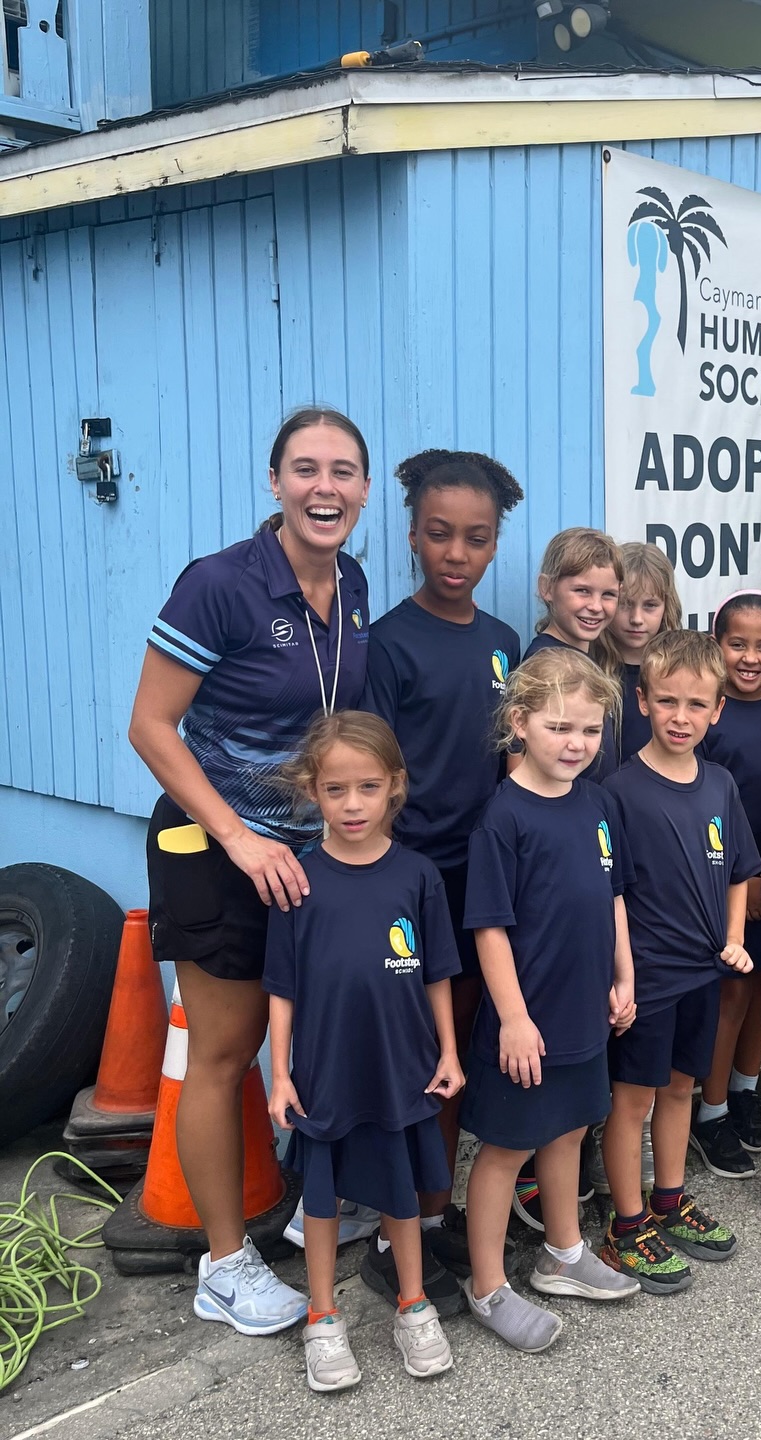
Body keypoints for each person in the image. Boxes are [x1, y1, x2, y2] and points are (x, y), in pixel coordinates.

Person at [129, 407, 372, 1336]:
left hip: (310, 857)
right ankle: (224, 1264)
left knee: (303, 1041)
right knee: (224, 1057)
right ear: (275, 482)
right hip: (220, 851)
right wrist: (238, 837)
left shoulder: (348, 581)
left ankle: (319, 1197)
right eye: (306, 468)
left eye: (343, 471)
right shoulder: (219, 584)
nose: (325, 487)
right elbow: (150, 725)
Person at [361, 448, 524, 1299]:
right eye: (439, 535)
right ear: (414, 536)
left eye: (476, 538)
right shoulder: (385, 645)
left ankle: (436, 1209)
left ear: (496, 545)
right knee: (415, 1051)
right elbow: (375, 774)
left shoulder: (503, 645)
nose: (456, 553)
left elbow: (511, 769)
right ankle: (398, 1227)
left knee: (458, 1046)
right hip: (411, 882)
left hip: (481, 882)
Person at [265, 712, 464, 1391]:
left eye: (368, 788)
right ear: (312, 791)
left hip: (400, 1065)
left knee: (401, 1195)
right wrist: (281, 1073)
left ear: (395, 788)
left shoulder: (419, 876)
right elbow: (282, 989)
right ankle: (323, 1317)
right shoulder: (297, 881)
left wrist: (449, 1052)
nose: (352, 805)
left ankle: (413, 1304)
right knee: (320, 1202)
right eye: (336, 790)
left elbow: (437, 972)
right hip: (325, 1070)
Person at [460, 648, 641, 1354]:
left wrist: (625, 976)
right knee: (506, 1151)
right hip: (527, 1024)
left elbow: (614, 895)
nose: (577, 744)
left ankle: (562, 1253)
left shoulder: (598, 805)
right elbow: (490, 928)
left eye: (590, 731)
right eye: (561, 727)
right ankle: (486, 1285)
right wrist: (511, 1018)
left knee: (568, 1130)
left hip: (584, 1013)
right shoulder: (502, 820)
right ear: (520, 724)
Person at [600, 630, 760, 1292]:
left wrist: (734, 936)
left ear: (718, 710)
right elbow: (606, 894)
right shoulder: (618, 790)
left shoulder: (720, 785)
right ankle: (625, 1224)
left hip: (702, 972)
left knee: (679, 1091)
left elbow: (740, 872)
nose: (681, 717)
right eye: (667, 701)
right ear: (642, 701)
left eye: (697, 705)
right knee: (630, 1102)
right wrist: (621, 975)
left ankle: (668, 1199)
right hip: (647, 981)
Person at [691, 592, 761, 1177]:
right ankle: (711, 1110)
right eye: (737, 644)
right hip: (730, 887)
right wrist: (741, 883)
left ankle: (746, 1088)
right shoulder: (709, 713)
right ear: (715, 646)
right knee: (731, 997)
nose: (749, 657)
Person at [523, 527, 625, 782]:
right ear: (547, 588)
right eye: (582, 591)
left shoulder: (587, 659)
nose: (595, 606)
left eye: (608, 594)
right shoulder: (546, 665)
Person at [606, 542, 682, 763]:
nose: (636, 618)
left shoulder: (680, 672)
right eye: (625, 604)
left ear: (667, 606)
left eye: (650, 605)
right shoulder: (590, 669)